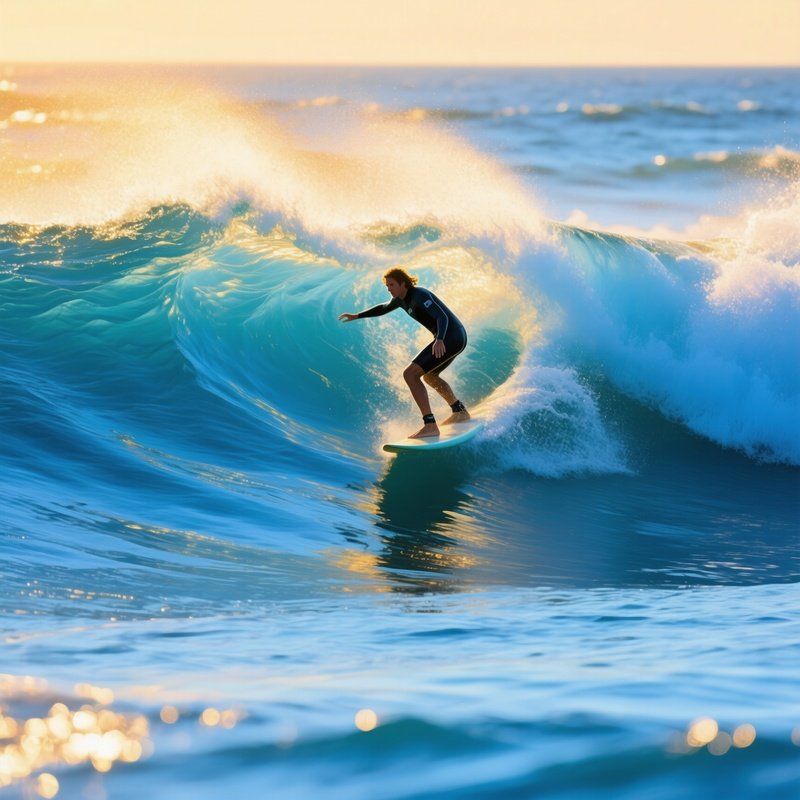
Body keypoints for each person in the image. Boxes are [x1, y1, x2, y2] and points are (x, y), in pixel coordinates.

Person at [339, 267, 470, 439]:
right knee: (430, 376)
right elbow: (383, 308)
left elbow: (442, 317)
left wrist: (440, 340)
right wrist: (357, 316)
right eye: (387, 286)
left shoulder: (419, 295)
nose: (389, 289)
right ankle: (459, 411)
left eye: (391, 285)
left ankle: (430, 425)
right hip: (452, 338)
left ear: (403, 284)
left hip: (451, 337)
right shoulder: (401, 299)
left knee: (410, 374)